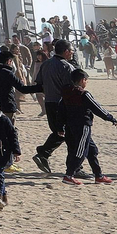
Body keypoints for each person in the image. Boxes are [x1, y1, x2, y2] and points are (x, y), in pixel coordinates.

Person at [59, 68, 117, 185]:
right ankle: (69, 175)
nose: (86, 82)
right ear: (82, 80)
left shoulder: (66, 93)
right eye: (86, 80)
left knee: (92, 150)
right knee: (81, 151)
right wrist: (111, 119)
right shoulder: (83, 94)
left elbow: (61, 111)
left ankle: (98, 175)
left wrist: (59, 127)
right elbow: (98, 108)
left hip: (70, 126)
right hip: (83, 126)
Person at [31, 38, 79, 175]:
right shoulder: (67, 67)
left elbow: (39, 82)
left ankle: (44, 153)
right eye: (71, 51)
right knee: (68, 134)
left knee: (59, 133)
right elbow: (72, 89)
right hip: (62, 104)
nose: (72, 53)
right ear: (66, 51)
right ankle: (44, 153)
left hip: (49, 102)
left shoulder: (46, 64)